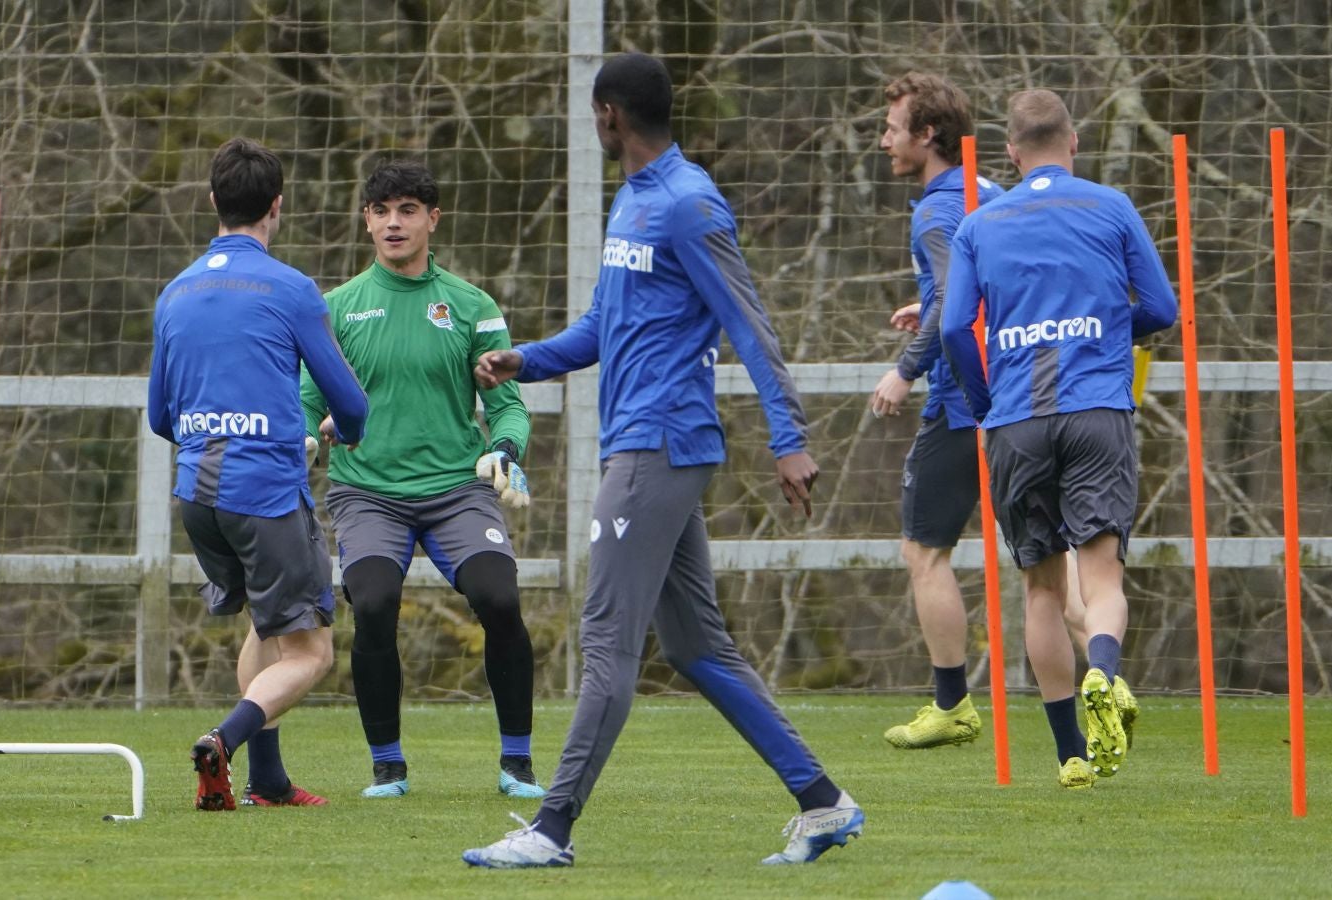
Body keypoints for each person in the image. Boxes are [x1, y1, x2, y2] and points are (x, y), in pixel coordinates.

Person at [461, 51, 862, 869]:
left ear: (609, 114)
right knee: (696, 647)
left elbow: (748, 325)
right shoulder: (633, 201)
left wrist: (788, 438)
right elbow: (605, 327)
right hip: (647, 449)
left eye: (593, 113)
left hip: (656, 447)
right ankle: (822, 802)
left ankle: (551, 828)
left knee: (607, 640)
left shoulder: (688, 203)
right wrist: (523, 359)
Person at [939, 90, 1176, 789]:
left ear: (1010, 155)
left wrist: (986, 402)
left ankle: (1069, 752)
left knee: (1040, 590)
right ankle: (1103, 670)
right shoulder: (1108, 206)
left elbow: (955, 330)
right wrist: (1100, 330)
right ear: (1072, 143)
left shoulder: (979, 226)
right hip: (1095, 408)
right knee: (1099, 577)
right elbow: (1160, 308)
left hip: (1015, 419)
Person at [300, 160, 545, 800]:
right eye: (381, 211)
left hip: (457, 490)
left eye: (407, 210)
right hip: (367, 492)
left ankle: (516, 764)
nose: (393, 223)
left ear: (432, 219)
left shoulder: (472, 306)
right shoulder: (336, 310)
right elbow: (304, 401)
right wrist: (303, 435)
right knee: (374, 607)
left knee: (501, 599)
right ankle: (388, 767)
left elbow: (508, 404)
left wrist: (507, 449)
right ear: (366, 221)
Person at [147, 137, 369, 810]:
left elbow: (161, 414)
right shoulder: (291, 288)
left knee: (266, 629)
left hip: (197, 496)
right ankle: (225, 739)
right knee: (311, 651)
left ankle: (267, 783)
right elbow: (349, 403)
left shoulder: (175, 292)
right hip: (265, 493)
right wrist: (340, 433)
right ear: (277, 206)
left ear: (213, 202)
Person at [869, 73, 1005, 751]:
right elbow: (986, 287)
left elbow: (958, 303)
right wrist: (927, 303)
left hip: (962, 402)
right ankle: (1106, 677)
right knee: (1054, 557)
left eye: (893, 127)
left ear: (928, 136)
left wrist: (903, 371)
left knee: (923, 551)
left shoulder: (933, 209)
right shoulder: (991, 194)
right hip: (1022, 397)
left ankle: (950, 704)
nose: (883, 138)